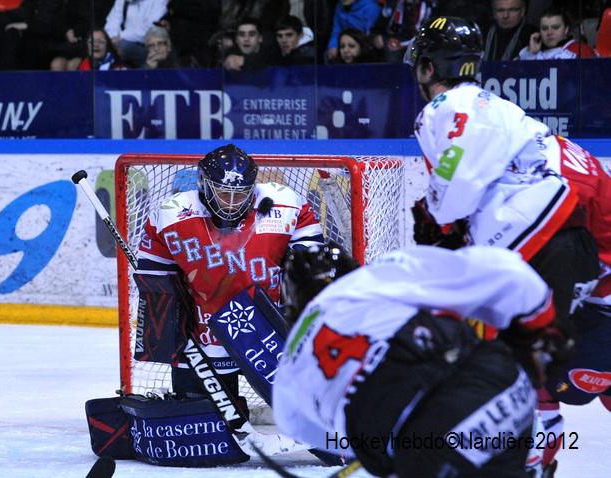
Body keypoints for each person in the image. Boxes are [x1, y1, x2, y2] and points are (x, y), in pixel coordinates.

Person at [405, 16, 606, 475]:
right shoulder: (495, 105)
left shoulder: (446, 107)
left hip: (538, 237)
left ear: (427, 67)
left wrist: (436, 214)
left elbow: (456, 184)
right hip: (570, 236)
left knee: (505, 361)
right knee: (535, 366)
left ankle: (526, 450)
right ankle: (535, 449)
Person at [274, 243, 569, 477]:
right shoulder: (374, 278)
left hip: (419, 450)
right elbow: (505, 269)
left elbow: (319, 434)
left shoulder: (287, 374)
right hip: (488, 385)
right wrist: (541, 325)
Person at [134, 144, 324, 414]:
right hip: (203, 339)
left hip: (269, 335)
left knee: (311, 414)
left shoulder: (286, 204)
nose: (233, 202)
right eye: (224, 194)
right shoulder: (171, 214)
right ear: (205, 186)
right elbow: (155, 281)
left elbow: (312, 265)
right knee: (204, 430)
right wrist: (170, 321)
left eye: (241, 194)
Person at [104, 0, 167, 68]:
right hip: (122, 42)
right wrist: (112, 40)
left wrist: (120, 36)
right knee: (105, 47)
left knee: (123, 47)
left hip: (148, 45)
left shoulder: (159, 1)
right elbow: (112, 22)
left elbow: (150, 29)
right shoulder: (122, 1)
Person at [518, 7, 599, 60]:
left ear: (566, 30)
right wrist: (531, 54)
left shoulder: (581, 51)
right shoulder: (527, 53)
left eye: (555, 27)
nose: (549, 32)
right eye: (544, 28)